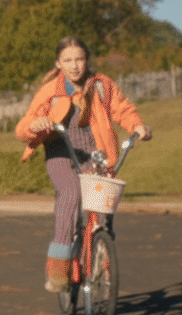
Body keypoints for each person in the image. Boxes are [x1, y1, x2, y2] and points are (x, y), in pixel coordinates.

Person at [15, 36, 152, 292]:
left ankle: (100, 259)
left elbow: (122, 108)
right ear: (59, 63)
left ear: (86, 60)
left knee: (102, 213)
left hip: (95, 154)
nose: (74, 65)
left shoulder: (101, 85)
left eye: (79, 59)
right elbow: (24, 127)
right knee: (70, 194)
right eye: (68, 60)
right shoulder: (51, 91)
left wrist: (137, 127)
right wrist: (35, 126)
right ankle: (59, 268)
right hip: (61, 153)